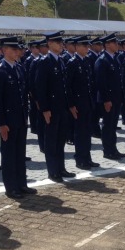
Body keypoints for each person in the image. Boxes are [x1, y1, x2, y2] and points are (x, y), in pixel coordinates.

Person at [0, 36, 37, 199]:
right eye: (13, 49)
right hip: (8, 121)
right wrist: (1, 123)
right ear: (4, 50)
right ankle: (11, 187)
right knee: (9, 155)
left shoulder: (19, 68)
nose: (17, 52)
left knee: (19, 153)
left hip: (21, 118)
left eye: (18, 49)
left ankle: (21, 184)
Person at [35, 31, 75, 183]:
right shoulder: (44, 62)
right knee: (51, 142)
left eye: (61, 42)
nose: (61, 45)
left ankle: (61, 168)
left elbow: (65, 87)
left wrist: (69, 105)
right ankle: (53, 171)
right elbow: (40, 88)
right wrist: (45, 109)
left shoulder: (61, 61)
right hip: (51, 109)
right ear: (50, 44)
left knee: (60, 140)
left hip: (62, 108)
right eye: (58, 42)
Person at [66, 36, 99, 169]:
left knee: (87, 132)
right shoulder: (72, 62)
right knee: (80, 133)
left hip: (87, 102)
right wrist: (71, 105)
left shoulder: (86, 61)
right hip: (78, 104)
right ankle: (80, 159)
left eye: (87, 46)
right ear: (77, 47)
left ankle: (87, 157)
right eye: (84, 46)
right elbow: (68, 86)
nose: (87, 48)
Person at [94, 33, 125, 160]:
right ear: (107, 44)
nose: (117, 45)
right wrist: (106, 100)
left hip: (116, 99)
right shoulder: (102, 60)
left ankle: (113, 148)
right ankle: (108, 150)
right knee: (107, 126)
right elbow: (101, 83)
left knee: (112, 125)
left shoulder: (114, 58)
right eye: (114, 43)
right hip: (108, 100)